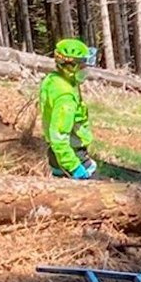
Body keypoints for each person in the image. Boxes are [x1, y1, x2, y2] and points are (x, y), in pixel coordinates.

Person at [42, 38, 98, 179]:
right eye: (82, 66)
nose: (86, 70)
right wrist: (74, 166)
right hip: (71, 154)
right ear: (70, 67)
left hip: (59, 154)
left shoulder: (55, 80)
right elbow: (59, 136)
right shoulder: (65, 97)